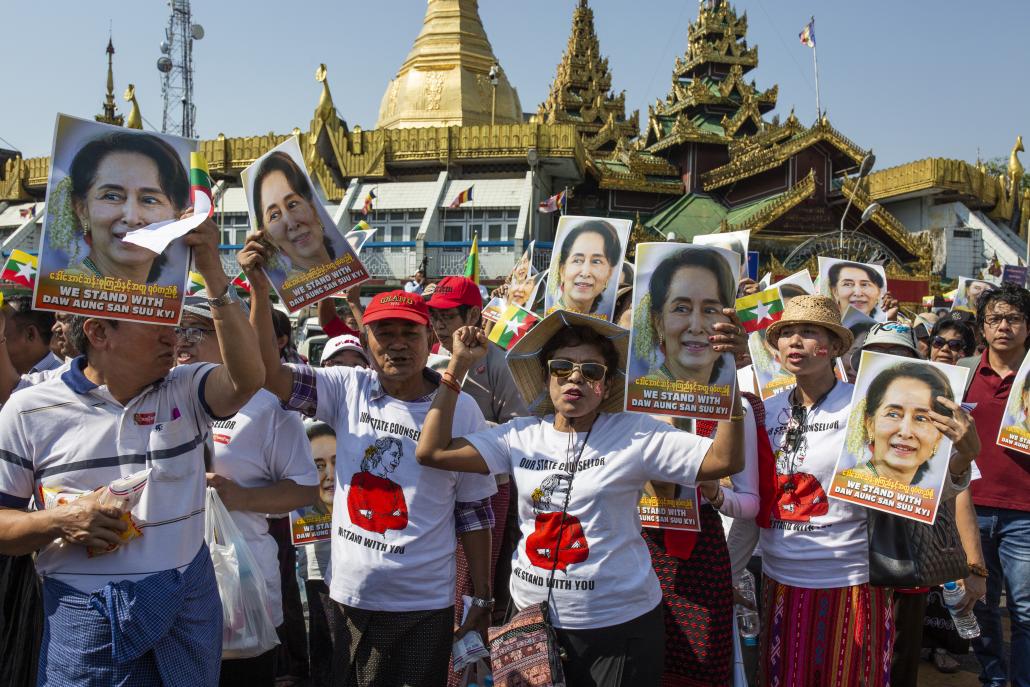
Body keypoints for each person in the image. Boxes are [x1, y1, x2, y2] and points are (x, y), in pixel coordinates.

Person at [415, 310, 747, 686]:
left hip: (618, 627)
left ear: (605, 385)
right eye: (562, 367)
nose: (575, 377)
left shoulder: (635, 433)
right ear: (546, 377)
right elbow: (432, 451)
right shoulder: (519, 435)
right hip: (530, 621)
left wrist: (728, 374)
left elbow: (724, 460)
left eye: (592, 371)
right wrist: (457, 366)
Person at [0, 215, 263, 685]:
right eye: (157, 324)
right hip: (87, 629)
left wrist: (211, 265)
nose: (173, 336)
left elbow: (248, 379)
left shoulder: (185, 387)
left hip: (186, 616)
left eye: (175, 322)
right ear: (100, 334)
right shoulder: (28, 410)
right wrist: (59, 521)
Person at [239, 234, 498, 687]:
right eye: (385, 333)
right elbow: (269, 374)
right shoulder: (347, 388)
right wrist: (260, 291)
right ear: (365, 337)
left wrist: (481, 597)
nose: (397, 345)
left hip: (424, 605)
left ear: (429, 337)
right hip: (349, 596)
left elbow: (475, 513)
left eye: (409, 332)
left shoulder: (463, 406)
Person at [759, 295, 977, 687]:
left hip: (849, 579)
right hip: (780, 579)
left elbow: (920, 489)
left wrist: (961, 456)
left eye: (808, 333)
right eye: (786, 333)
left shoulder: (863, 409)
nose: (795, 341)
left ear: (835, 348)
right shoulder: (767, 409)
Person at [174, 291, 320, 685]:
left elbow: (306, 488)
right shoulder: (155, 396)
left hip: (242, 585)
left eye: (198, 329)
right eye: (179, 328)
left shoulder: (267, 406)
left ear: (230, 335)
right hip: (167, 586)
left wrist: (241, 497)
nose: (183, 339)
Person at [959, 283, 1030, 687]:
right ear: (983, 328)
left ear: (1027, 326)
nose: (1004, 326)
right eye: (995, 319)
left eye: (1013, 319)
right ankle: (993, 678)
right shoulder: (961, 373)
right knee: (981, 605)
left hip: (1025, 510)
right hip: (971, 508)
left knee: (1024, 611)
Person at [51, 131, 188, 282]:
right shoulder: (60, 292)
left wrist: (210, 269)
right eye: (112, 197)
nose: (131, 218)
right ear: (82, 209)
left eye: (149, 200)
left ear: (177, 216)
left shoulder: (164, 298)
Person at [634, 245, 738, 388]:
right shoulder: (638, 398)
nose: (696, 327)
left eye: (710, 310)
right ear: (658, 322)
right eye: (681, 309)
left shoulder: (725, 397)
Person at [846, 361, 955, 488]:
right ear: (869, 424)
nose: (905, 432)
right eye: (893, 415)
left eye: (921, 418)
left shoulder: (927, 496)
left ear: (939, 436)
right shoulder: (845, 487)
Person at [252, 151, 334, 279]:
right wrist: (259, 290)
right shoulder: (288, 294)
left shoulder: (351, 270)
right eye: (274, 215)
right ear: (267, 236)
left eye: (292, 204)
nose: (291, 224)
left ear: (312, 206)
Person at [304, 423, 340, 687]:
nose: (329, 474)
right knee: (324, 645)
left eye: (337, 462)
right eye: (317, 465)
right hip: (318, 569)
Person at [551, 220, 621, 316]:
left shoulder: (609, 326)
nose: (585, 272)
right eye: (577, 260)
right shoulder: (537, 324)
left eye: (596, 261)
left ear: (609, 273)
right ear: (562, 270)